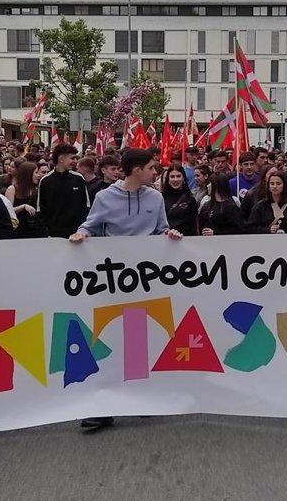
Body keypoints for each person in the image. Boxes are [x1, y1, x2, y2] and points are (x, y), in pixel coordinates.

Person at [70, 148, 182, 432]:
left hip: (146, 278)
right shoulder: (104, 197)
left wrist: (168, 235)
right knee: (109, 337)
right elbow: (91, 225)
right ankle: (104, 406)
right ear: (136, 170)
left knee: (143, 337)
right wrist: (82, 234)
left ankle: (141, 397)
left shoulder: (155, 198)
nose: (157, 173)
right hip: (112, 280)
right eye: (152, 168)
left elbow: (160, 229)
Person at [37, 145, 90, 238]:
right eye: (72, 158)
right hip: (53, 236)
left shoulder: (79, 179)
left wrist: (81, 231)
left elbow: (86, 206)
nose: (75, 161)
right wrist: (46, 233)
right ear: (61, 158)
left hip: (77, 235)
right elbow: (41, 209)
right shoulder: (45, 181)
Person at [5, 161, 46, 238]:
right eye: (36, 172)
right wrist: (23, 206)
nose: (38, 175)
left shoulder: (36, 189)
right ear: (28, 174)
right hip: (18, 230)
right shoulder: (13, 189)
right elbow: (8, 211)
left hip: (34, 230)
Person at [161, 164, 198, 236]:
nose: (175, 179)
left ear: (183, 178)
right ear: (168, 179)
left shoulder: (190, 199)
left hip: (185, 240)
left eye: (178, 176)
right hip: (165, 240)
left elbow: (194, 226)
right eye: (172, 177)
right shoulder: (161, 198)